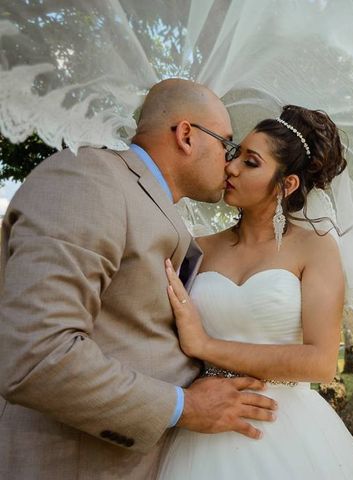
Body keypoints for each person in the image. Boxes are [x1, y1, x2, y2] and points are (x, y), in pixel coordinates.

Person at [0, 78, 277, 480]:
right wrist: (186, 406)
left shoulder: (150, 202)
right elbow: (38, 353)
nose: (230, 163)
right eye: (226, 145)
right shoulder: (88, 179)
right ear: (186, 135)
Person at [157, 105, 353, 479]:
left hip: (286, 430)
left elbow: (321, 362)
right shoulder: (196, 248)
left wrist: (206, 346)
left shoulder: (316, 248)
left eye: (251, 162)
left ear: (287, 184)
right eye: (235, 154)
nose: (231, 167)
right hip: (203, 424)